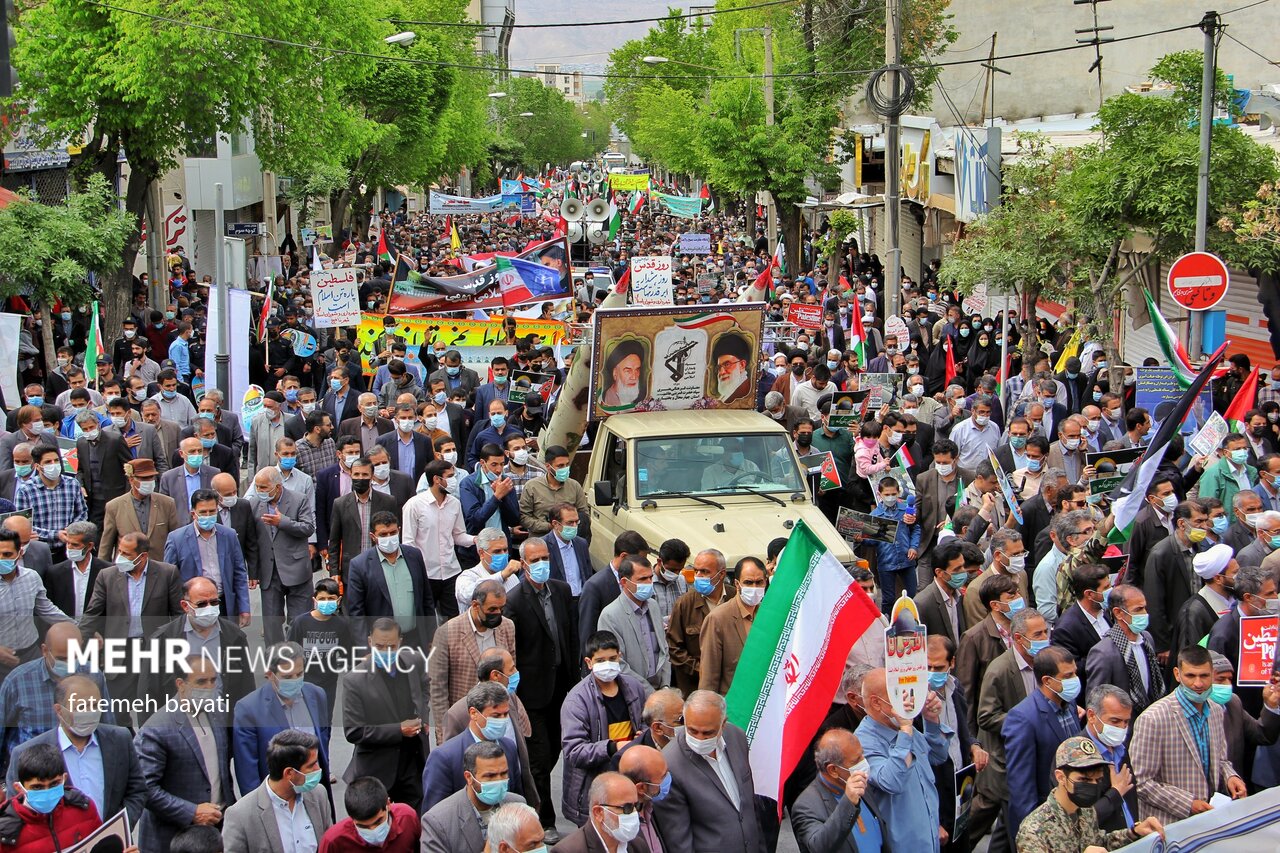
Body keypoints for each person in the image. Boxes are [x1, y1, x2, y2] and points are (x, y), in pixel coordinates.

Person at [3, 674, 148, 826]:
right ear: (59, 710)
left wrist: (120, 826)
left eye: (95, 705)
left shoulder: (120, 739)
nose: (90, 712)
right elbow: (17, 811)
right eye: (81, 707)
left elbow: (137, 790)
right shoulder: (25, 753)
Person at [503, 539, 576, 837]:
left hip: (561, 686)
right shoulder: (514, 601)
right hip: (531, 693)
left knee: (556, 748)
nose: (542, 563)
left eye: (545, 557)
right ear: (524, 563)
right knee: (539, 760)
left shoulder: (561, 590)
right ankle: (544, 819)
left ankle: (529, 793)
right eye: (535, 559)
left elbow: (570, 634)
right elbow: (513, 649)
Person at [1129, 645, 1247, 826]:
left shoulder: (1215, 711)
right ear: (1177, 674)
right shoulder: (1153, 719)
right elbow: (1142, 783)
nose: (1198, 684)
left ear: (1212, 674)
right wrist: (1188, 804)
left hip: (1208, 821)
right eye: (1190, 676)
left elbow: (1221, 760)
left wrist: (1231, 777)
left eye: (1204, 676)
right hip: (1168, 827)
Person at [133, 655, 235, 853]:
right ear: (180, 684)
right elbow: (145, 789)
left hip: (217, 830)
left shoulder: (219, 713)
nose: (209, 687)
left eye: (213, 680)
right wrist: (192, 812)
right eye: (201, 682)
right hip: (172, 837)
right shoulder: (157, 728)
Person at [652, 689, 764, 853]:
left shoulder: (737, 737)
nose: (700, 738)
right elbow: (678, 840)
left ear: (723, 724)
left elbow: (750, 807)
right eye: (692, 730)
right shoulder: (669, 764)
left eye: (708, 733)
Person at [338, 619, 431, 809]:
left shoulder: (414, 661)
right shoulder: (354, 680)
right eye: (380, 646)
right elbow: (354, 732)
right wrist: (398, 730)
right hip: (377, 770)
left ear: (400, 642)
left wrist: (423, 715)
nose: (386, 651)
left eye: (391, 646)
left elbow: (424, 686)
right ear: (370, 641)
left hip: (413, 764)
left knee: (413, 827)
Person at [1015, 736, 1164, 853]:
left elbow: (1100, 843)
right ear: (1061, 777)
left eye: (1097, 780)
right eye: (1084, 779)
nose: (1092, 786)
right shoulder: (1034, 830)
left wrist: (1134, 832)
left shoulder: (1086, 811)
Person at [560, 631, 648, 827]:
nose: (607, 665)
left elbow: (645, 721)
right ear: (589, 662)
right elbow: (574, 751)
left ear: (620, 657)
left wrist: (643, 735)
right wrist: (612, 748)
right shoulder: (577, 700)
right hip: (594, 786)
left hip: (629, 779)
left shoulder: (634, 687)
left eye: (612, 658)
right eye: (600, 660)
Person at [1004, 646, 1084, 839]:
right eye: (1068, 675)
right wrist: (1036, 834)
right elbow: (1021, 787)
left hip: (1072, 814)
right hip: (1045, 823)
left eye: (1075, 673)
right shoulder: (1023, 718)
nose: (1075, 680)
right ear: (1048, 681)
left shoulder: (1070, 704)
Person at [231, 642, 331, 796]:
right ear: (270, 674)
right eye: (287, 677)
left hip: (314, 791)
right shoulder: (248, 709)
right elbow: (247, 772)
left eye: (299, 674)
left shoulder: (317, 695)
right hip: (277, 797)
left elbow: (323, 740)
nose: (295, 680)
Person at [427, 579, 516, 744]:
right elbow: (438, 689)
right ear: (475, 606)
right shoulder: (447, 632)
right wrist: (444, 734)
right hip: (465, 726)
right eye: (492, 609)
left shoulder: (507, 627)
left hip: (499, 723)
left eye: (501, 609)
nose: (497, 614)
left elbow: (510, 673)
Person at [421, 681, 527, 813]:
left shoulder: (508, 747)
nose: (502, 720)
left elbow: (515, 796)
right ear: (473, 713)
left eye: (505, 714)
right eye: (496, 715)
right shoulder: (444, 757)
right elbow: (434, 815)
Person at [221, 729, 333, 853]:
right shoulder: (240, 815)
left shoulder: (318, 795)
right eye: (312, 765)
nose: (318, 769)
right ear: (289, 773)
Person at [344, 511, 434, 647]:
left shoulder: (414, 556)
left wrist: (431, 636)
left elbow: (427, 599)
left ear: (399, 530)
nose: (389, 537)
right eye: (383, 535)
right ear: (373, 536)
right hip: (383, 644)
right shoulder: (359, 565)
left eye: (392, 533)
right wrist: (365, 648)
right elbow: (356, 613)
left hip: (415, 639)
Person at [163, 490, 251, 628]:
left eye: (212, 511)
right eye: (203, 512)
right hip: (195, 607)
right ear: (194, 514)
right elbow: (169, 578)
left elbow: (239, 573)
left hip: (224, 604)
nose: (208, 516)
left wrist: (244, 607)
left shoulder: (229, 535)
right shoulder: (176, 539)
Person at [419, 742, 526, 853]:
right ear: (469, 777)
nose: (499, 780)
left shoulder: (518, 804)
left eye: (504, 773)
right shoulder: (438, 822)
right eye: (490, 776)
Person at [790, 727, 882, 853]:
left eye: (862, 755)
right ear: (833, 770)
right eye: (856, 761)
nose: (864, 762)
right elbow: (819, 847)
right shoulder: (806, 806)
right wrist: (848, 803)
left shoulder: (862, 783)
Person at [0, 743, 103, 853]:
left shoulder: (84, 808)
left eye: (54, 784)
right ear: (19, 788)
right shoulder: (5, 831)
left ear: (64, 779)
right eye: (37, 787)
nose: (47, 792)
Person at [1085, 584, 1164, 719]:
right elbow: (1095, 702)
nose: (1144, 614)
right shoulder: (1103, 652)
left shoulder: (1147, 639)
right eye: (1138, 609)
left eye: (1145, 607)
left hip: (1152, 721)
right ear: (1118, 613)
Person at [666, 547, 735, 696]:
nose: (698, 576)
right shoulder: (685, 604)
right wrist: (702, 669)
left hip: (731, 687)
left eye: (704, 572)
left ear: (721, 574)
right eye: (696, 571)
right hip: (695, 688)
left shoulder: (735, 598)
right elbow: (674, 648)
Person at [597, 554, 670, 691]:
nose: (649, 583)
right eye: (642, 579)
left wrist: (665, 686)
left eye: (650, 577)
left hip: (660, 692)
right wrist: (650, 693)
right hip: (632, 693)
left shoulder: (653, 606)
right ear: (624, 583)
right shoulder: (610, 616)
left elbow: (663, 649)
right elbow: (618, 664)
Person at [698, 556, 767, 694]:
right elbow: (709, 677)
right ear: (737, 584)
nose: (754, 588)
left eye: (759, 582)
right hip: (731, 706)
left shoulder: (767, 615)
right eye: (748, 582)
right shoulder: (718, 619)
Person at [578, 532, 649, 655]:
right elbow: (588, 633)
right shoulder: (595, 586)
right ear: (624, 556)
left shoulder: (641, 580)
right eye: (639, 560)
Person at [326, 457, 397, 581]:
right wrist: (334, 571)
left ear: (372, 476)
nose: (360, 478)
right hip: (351, 568)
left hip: (381, 565)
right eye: (356, 474)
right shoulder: (340, 504)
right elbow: (334, 542)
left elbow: (395, 535)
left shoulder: (388, 501)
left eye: (365, 474)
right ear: (350, 474)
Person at [100, 458, 182, 561]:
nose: (148, 482)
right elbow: (106, 545)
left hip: (159, 567)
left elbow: (176, 538)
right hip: (127, 567)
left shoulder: (167, 503)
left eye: (151, 477)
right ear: (131, 479)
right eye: (143, 478)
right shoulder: (114, 506)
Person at [15, 445, 87, 559]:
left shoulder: (72, 484)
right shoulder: (26, 490)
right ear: (38, 466)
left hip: (67, 549)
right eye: (48, 462)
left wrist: (72, 529)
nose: (53, 464)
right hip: (38, 552)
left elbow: (82, 512)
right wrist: (55, 534)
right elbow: (24, 525)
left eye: (56, 460)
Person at [552, 771, 650, 853]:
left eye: (636, 806)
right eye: (626, 808)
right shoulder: (568, 851)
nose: (634, 813)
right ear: (599, 812)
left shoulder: (638, 846)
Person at [319, 776, 420, 853]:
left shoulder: (407, 818)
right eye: (363, 826)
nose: (373, 830)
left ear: (388, 804)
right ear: (352, 818)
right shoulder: (333, 842)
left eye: (378, 821)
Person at [616, 744, 676, 853]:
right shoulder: (621, 829)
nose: (668, 778)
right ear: (641, 788)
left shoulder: (651, 805)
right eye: (663, 777)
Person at [543, 502, 594, 597]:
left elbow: (587, 575)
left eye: (577, 522)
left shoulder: (581, 544)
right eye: (570, 523)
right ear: (555, 524)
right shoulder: (543, 546)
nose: (575, 526)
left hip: (580, 600)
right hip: (557, 603)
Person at [601, 341, 646, 408]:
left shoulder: (642, 398)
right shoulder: (606, 399)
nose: (634, 377)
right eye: (628, 371)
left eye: (637, 370)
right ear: (615, 373)